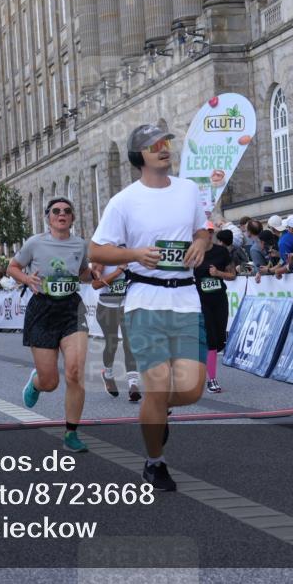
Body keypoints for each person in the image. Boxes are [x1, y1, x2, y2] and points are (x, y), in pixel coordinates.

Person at [89, 121, 210, 492]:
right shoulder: (123, 201)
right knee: (155, 386)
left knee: (191, 390)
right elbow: (96, 250)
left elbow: (202, 229)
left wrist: (202, 242)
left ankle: (155, 413)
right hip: (145, 301)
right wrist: (134, 253)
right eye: (154, 144)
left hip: (186, 298)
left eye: (166, 142)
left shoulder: (189, 190)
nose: (164, 148)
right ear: (138, 156)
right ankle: (155, 462)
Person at [8, 196, 94, 453]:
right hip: (42, 309)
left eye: (67, 211)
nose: (61, 214)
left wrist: (96, 273)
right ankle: (37, 382)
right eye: (56, 211)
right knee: (51, 382)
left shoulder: (81, 244)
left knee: (75, 372)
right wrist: (26, 278)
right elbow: (13, 267)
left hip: (71, 309)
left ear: (72, 217)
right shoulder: (35, 243)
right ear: (48, 217)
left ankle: (71, 433)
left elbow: (83, 274)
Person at [91, 259, 141, 402]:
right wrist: (118, 271)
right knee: (111, 343)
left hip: (126, 306)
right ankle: (108, 374)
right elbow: (95, 284)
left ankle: (133, 385)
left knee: (129, 343)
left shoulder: (132, 255)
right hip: (106, 308)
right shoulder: (103, 259)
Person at [196, 229, 236, 393]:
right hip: (201, 301)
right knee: (211, 339)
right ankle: (211, 379)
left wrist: (218, 273)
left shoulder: (221, 252)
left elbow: (232, 274)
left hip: (219, 299)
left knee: (220, 340)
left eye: (209, 233)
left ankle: (204, 358)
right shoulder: (192, 253)